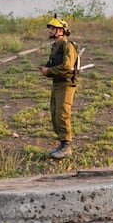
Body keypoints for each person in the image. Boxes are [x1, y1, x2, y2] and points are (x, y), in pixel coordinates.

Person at [38, 15, 78, 160]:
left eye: (54, 28)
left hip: (66, 84)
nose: (50, 30)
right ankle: (62, 143)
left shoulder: (67, 46)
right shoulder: (55, 47)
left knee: (62, 114)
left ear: (62, 31)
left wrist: (49, 71)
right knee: (55, 114)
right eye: (50, 28)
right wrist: (47, 70)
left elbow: (67, 66)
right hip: (57, 83)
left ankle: (67, 146)